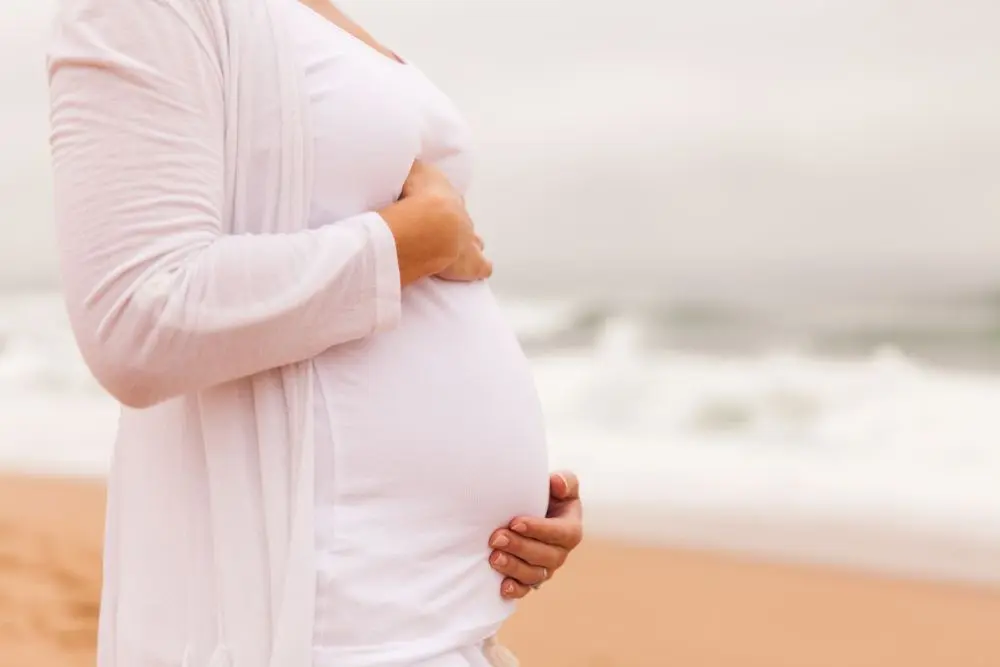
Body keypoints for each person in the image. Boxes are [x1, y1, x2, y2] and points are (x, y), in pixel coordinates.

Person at [46, 0, 583, 666]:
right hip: (333, 627)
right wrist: (409, 243)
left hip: (436, 616)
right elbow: (136, 319)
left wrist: (514, 505)